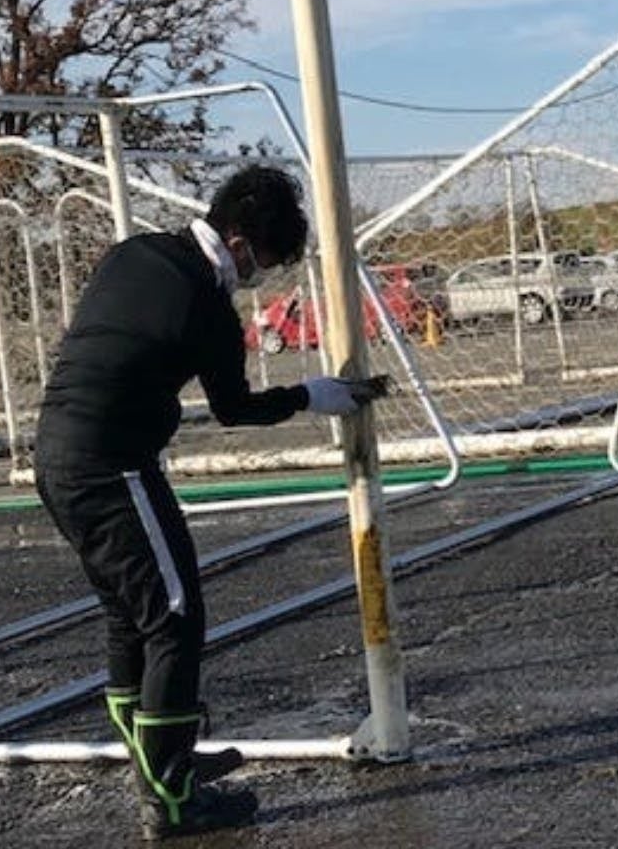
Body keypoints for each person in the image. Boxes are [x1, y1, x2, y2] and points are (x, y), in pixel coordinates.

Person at [34, 166, 387, 840]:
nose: (258, 278)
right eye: (265, 263)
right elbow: (234, 408)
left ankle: (160, 762)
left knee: (130, 615)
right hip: (111, 466)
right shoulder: (205, 302)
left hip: (56, 455)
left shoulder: (133, 253)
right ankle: (172, 798)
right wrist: (311, 395)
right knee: (174, 616)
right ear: (241, 242)